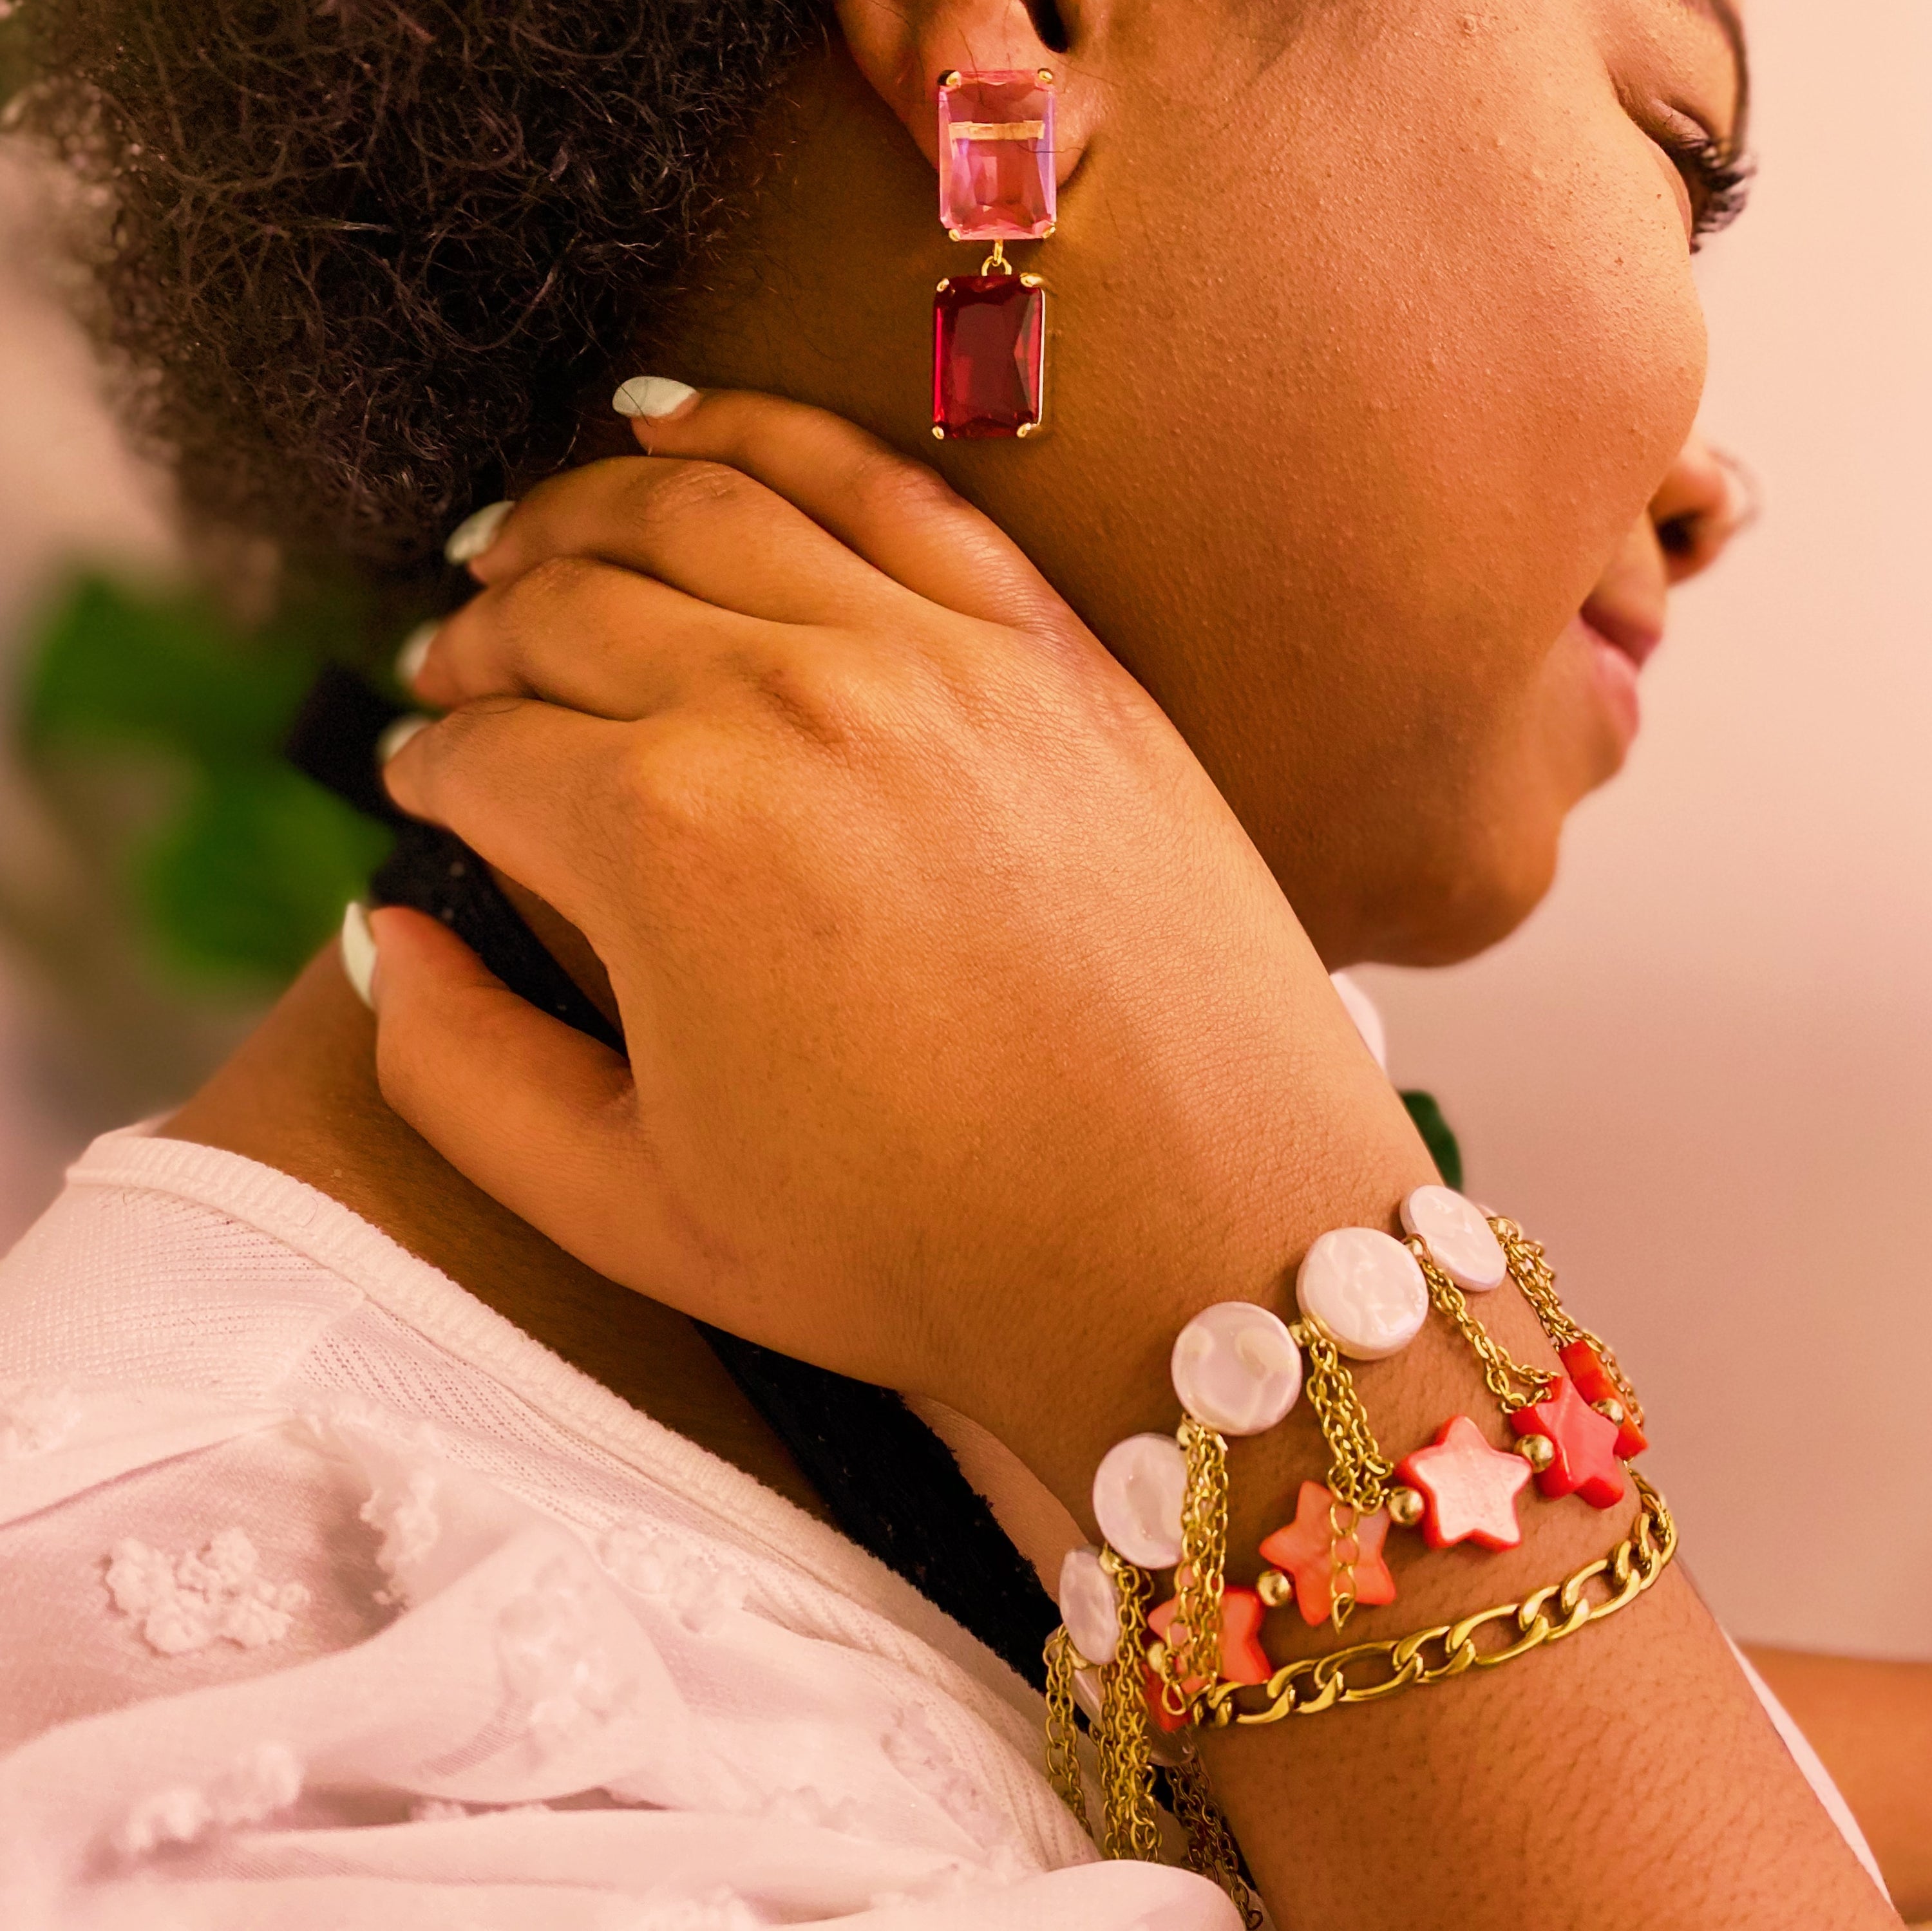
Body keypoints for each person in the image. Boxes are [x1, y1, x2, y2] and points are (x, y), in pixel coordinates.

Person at [0, 0, 1922, 1924]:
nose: (1713, 492)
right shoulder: (301, 1757)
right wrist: (1257, 1274)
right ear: (1020, 41)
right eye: (1683, 159)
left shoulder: (937, 1460)